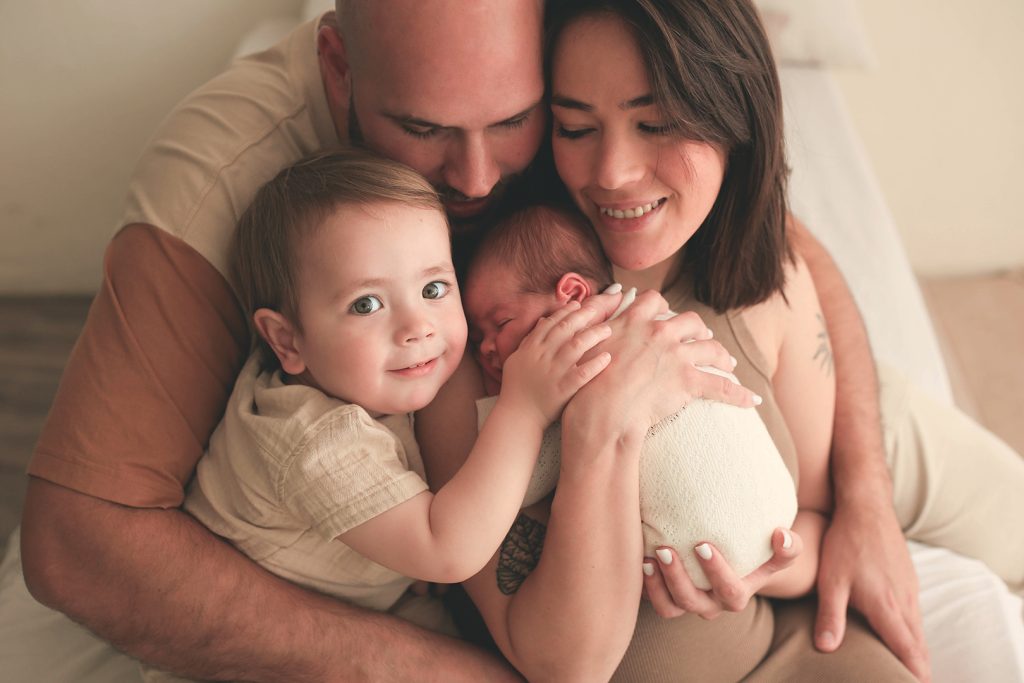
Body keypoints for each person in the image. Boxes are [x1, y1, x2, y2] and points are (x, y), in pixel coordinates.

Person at [4, 0, 1017, 679]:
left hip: (721, 361)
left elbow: (773, 234)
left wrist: (866, 504)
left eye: (520, 123)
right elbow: (75, 541)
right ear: (339, 65)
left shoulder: (573, 66)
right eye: (423, 128)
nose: (479, 179)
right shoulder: (230, 170)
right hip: (533, 446)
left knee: (1001, 529)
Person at [416, 1, 1024, 680]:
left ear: (734, 118)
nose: (613, 170)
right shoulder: (490, 328)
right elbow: (560, 660)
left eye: (656, 123)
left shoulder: (763, 279)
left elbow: (818, 524)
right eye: (575, 126)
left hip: (790, 643)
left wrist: (764, 562)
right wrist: (604, 419)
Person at [138, 149, 617, 680]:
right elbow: (450, 551)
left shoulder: (361, 375)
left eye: (434, 289)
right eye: (366, 304)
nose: (418, 326)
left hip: (364, 596)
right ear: (286, 340)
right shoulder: (315, 439)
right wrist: (525, 409)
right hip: (247, 655)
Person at [463, 203, 807, 592]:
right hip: (781, 511)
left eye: (501, 324)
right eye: (477, 340)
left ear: (572, 294)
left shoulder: (588, 363)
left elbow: (517, 485)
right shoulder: (657, 322)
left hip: (697, 555)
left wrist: (510, 401)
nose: (487, 349)